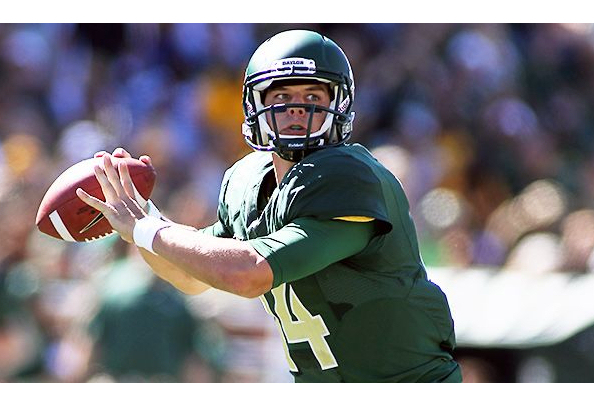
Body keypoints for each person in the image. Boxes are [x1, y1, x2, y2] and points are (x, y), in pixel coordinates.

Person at [76, 29, 462, 383]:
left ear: (338, 105)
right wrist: (148, 220)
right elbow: (191, 276)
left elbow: (250, 273)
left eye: (313, 96)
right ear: (255, 105)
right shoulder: (246, 182)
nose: (297, 109)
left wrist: (147, 229)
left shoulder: (349, 176)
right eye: (282, 97)